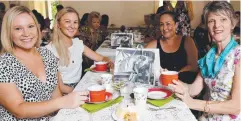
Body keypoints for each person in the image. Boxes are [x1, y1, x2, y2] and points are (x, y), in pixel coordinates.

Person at [0, 6, 88, 120]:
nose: (26, 33)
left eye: (30, 26)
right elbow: (19, 110)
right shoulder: (4, 64)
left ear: (37, 28)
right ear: (8, 32)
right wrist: (62, 102)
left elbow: (56, 94)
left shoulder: (47, 54)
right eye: (18, 28)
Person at [169, 1, 240, 121]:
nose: (217, 26)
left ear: (232, 24)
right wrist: (172, 80)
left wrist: (192, 103)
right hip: (207, 118)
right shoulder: (210, 56)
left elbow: (236, 106)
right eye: (212, 21)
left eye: (223, 19)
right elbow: (193, 89)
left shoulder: (238, 55)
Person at [46, 7, 112, 94]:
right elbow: (59, 87)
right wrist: (83, 93)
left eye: (75, 22)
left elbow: (101, 58)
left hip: (79, 85)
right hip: (63, 93)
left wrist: (109, 62)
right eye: (67, 21)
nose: (72, 26)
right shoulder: (49, 50)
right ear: (58, 24)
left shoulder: (78, 43)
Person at [145, 11, 198, 84]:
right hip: (162, 88)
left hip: (183, 86)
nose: (164, 28)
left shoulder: (187, 41)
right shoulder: (154, 44)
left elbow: (193, 66)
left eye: (168, 24)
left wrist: (172, 75)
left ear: (176, 25)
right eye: (161, 24)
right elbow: (141, 59)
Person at [78, 11, 102, 77]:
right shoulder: (85, 30)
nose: (97, 24)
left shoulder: (96, 30)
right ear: (89, 22)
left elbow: (95, 45)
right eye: (94, 22)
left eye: (98, 22)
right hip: (83, 60)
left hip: (90, 57)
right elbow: (82, 48)